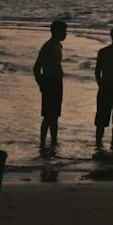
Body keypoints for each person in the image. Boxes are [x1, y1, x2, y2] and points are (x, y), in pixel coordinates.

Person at [33, 20, 67, 149]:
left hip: (57, 83)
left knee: (55, 115)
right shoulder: (47, 47)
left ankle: (53, 140)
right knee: (48, 116)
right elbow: (36, 68)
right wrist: (41, 85)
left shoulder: (59, 45)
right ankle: (42, 142)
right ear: (56, 32)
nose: (65, 34)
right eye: (63, 31)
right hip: (49, 83)